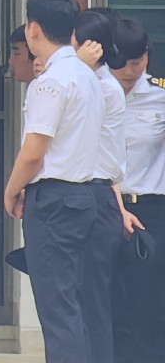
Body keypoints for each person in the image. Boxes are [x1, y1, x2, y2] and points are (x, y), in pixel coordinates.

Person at [3, 0, 114, 363]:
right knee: (75, 307)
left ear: (33, 29)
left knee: (58, 310)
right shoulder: (88, 76)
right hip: (84, 197)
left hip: (54, 201)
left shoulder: (50, 81)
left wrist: (12, 189)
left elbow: (34, 151)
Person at [71, 9, 131, 363]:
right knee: (79, 299)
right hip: (95, 194)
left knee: (91, 301)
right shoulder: (94, 82)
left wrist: (73, 68)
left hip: (93, 194)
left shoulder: (99, 87)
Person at [109, 18, 165, 362]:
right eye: (121, 64)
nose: (130, 72)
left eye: (137, 62)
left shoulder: (160, 95)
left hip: (150, 211)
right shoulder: (95, 93)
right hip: (105, 208)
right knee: (111, 304)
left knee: (150, 304)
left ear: (146, 55)